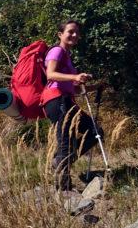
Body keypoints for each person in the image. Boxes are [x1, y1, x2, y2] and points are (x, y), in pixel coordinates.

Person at [42, 19, 101, 192]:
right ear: (60, 34)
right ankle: (64, 187)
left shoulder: (66, 56)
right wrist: (75, 77)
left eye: (77, 32)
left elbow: (73, 88)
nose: (74, 35)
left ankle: (60, 161)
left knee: (95, 131)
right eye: (70, 32)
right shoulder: (57, 51)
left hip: (65, 100)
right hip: (56, 100)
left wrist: (93, 86)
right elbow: (51, 75)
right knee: (65, 141)